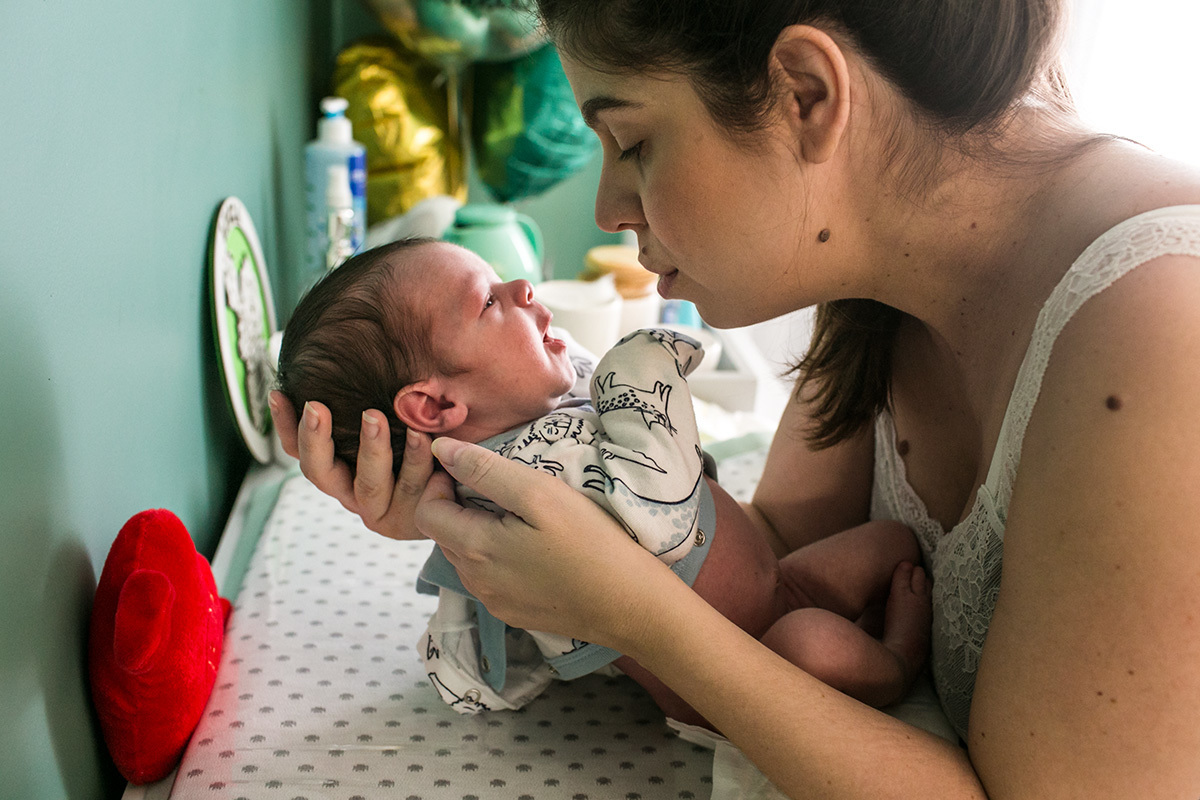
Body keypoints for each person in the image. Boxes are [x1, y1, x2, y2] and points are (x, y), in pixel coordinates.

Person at [270, 0, 1200, 794]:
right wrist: (460, 514)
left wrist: (630, 611)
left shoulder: (1161, 336)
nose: (606, 207)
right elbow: (769, 563)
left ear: (806, 93)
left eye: (630, 141)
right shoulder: (878, 277)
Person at [274, 237, 931, 724]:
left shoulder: (548, 411)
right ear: (438, 408)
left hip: (781, 579)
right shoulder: (506, 496)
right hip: (744, 670)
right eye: (487, 303)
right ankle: (895, 667)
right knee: (812, 647)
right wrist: (426, 518)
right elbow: (642, 483)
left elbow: (586, 381)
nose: (524, 288)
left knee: (893, 542)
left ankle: (857, 639)